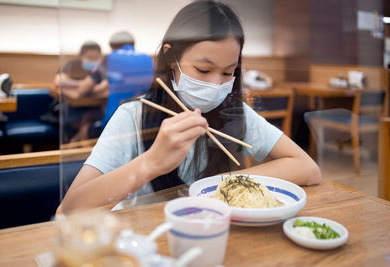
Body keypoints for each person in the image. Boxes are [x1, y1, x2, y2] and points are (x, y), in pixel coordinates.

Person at [58, 0, 321, 214]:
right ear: (172, 57)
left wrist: (228, 187)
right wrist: (151, 162)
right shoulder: (133, 117)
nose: (216, 84)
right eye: (203, 69)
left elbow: (308, 168)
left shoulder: (234, 112)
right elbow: (68, 212)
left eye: (228, 72)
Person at [76, 31, 154, 139]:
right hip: (144, 121)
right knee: (90, 116)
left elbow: (82, 89)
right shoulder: (148, 59)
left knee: (85, 129)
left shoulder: (110, 58)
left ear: (112, 47)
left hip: (116, 123)